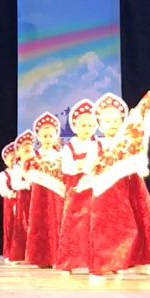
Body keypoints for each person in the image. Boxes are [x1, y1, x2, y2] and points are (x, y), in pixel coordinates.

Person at [82, 92, 150, 281]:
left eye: (116, 120)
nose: (112, 123)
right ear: (99, 124)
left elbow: (140, 155)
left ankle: (141, 262)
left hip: (130, 185)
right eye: (107, 121)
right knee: (107, 226)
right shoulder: (96, 145)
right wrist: (95, 164)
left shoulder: (128, 140)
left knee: (139, 222)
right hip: (107, 189)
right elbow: (87, 168)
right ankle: (102, 267)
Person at [56, 99, 99, 273]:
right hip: (75, 189)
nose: (87, 128)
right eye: (83, 125)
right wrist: (82, 164)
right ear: (74, 126)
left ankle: (99, 261)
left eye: (90, 125)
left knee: (95, 223)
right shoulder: (69, 147)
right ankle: (69, 263)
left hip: (94, 188)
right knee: (74, 224)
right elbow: (66, 168)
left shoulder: (97, 144)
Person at [24, 113, 66, 268]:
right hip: (39, 195)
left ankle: (56, 257)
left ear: (55, 137)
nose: (48, 139)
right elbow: (27, 175)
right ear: (39, 137)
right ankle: (41, 258)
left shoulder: (60, 156)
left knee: (55, 222)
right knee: (40, 223)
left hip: (56, 195)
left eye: (50, 136)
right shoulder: (33, 156)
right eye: (44, 136)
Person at [7, 130, 36, 264]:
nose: (28, 153)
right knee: (21, 227)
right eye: (25, 151)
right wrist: (28, 184)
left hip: (36, 198)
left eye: (30, 150)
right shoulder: (17, 167)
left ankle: (34, 254)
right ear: (19, 152)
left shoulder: (36, 164)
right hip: (23, 199)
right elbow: (15, 184)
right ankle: (18, 255)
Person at [0, 142, 18, 263]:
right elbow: (2, 189)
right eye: (11, 160)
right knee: (10, 227)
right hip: (10, 203)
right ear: (6, 161)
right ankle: (9, 253)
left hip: (22, 203)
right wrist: (11, 194)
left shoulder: (21, 172)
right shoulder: (4, 174)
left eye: (16, 159)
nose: (14, 162)